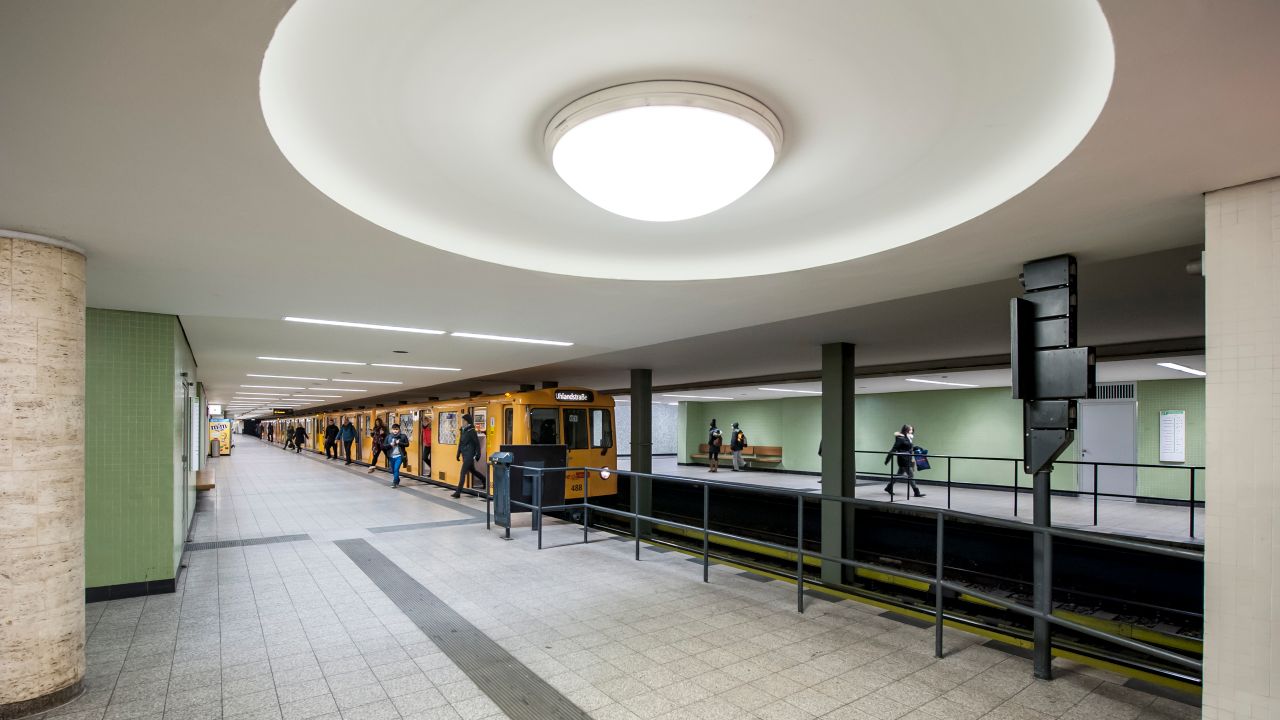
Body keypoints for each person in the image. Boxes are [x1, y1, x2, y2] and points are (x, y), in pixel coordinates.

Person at [884, 424, 925, 498]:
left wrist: (917, 447)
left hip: (908, 458)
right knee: (911, 475)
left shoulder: (908, 438)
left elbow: (908, 447)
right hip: (903, 459)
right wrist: (888, 458)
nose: (912, 431)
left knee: (899, 474)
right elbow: (894, 448)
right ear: (906, 430)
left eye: (912, 429)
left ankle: (888, 487)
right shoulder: (900, 438)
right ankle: (916, 492)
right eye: (910, 429)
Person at [452, 413, 486, 498]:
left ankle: (458, 492)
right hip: (464, 454)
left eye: (463, 421)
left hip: (469, 455)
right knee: (473, 470)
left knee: (463, 472)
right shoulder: (463, 430)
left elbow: (477, 443)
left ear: (467, 421)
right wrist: (458, 453)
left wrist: (478, 454)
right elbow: (461, 443)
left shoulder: (472, 431)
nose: (462, 422)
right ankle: (484, 480)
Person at [384, 423, 410, 488]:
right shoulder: (388, 437)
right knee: (393, 470)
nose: (395, 431)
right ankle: (397, 479)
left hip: (399, 456)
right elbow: (384, 446)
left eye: (396, 429)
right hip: (391, 456)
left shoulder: (403, 436)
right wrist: (390, 445)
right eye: (394, 429)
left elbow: (407, 444)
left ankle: (394, 482)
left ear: (399, 430)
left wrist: (399, 443)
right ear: (391, 430)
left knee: (396, 469)